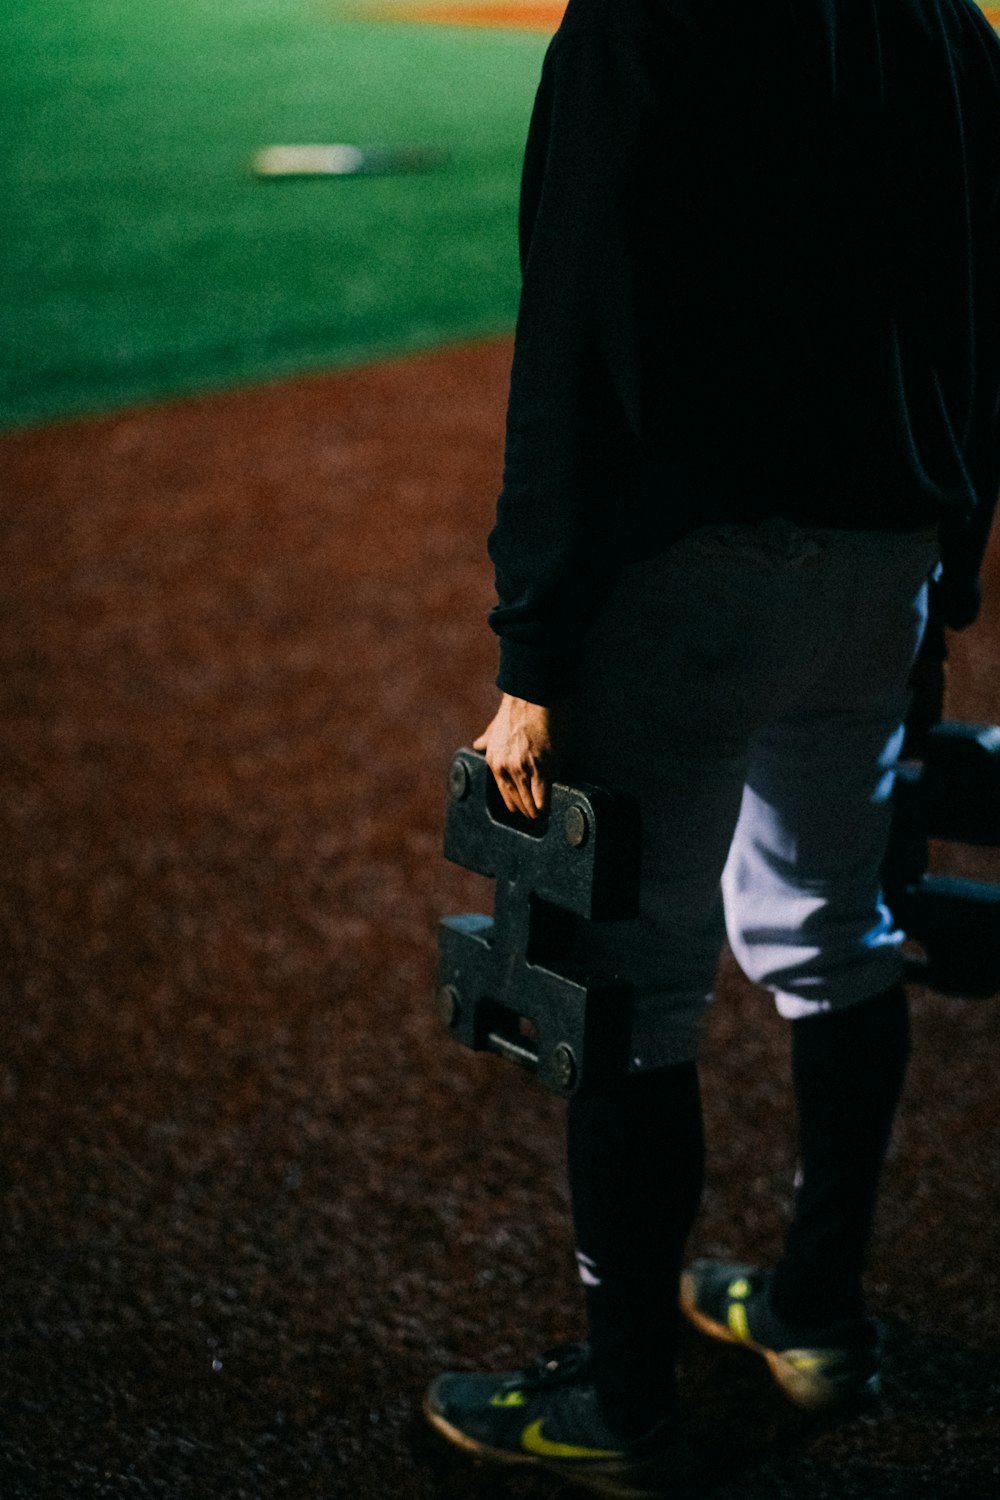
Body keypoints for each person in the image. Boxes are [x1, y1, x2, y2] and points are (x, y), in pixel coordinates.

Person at [423, 2, 1000, 1494]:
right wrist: (957, 555)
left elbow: (577, 318)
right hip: (888, 560)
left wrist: (533, 647)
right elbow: (984, 298)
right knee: (835, 932)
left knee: (623, 991)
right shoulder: (939, 19)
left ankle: (619, 1409)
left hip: (688, 575)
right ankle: (818, 1311)